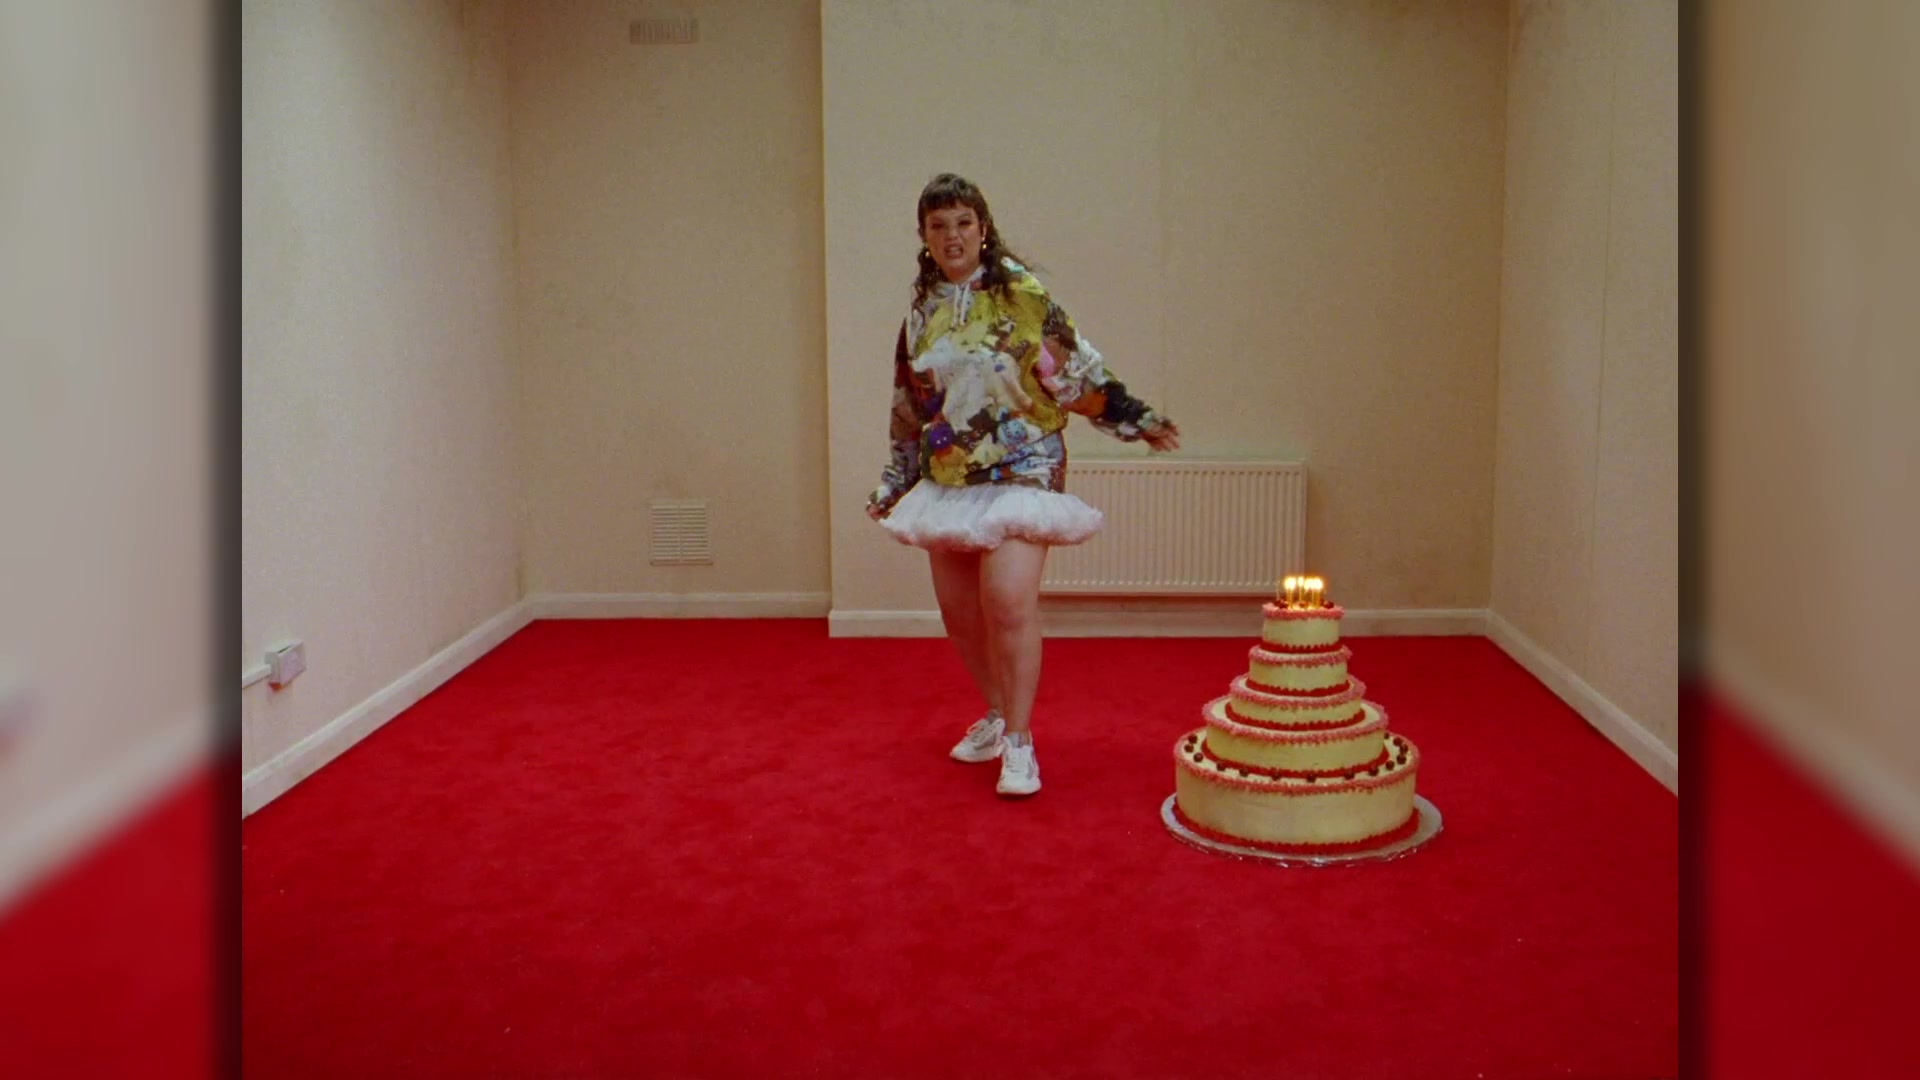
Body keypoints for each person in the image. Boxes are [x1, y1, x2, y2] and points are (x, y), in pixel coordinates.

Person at [866, 173, 1181, 798]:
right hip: (950, 471)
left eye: (963, 222)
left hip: (1024, 463)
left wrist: (1134, 418)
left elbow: (1077, 370)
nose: (952, 236)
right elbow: (911, 404)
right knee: (960, 614)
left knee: (1007, 600)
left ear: (983, 228)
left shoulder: (1022, 296)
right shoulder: (922, 314)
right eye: (938, 226)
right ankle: (995, 712)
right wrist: (897, 480)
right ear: (925, 237)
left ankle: (1019, 740)